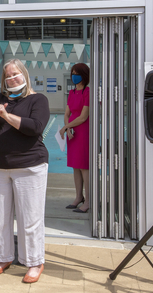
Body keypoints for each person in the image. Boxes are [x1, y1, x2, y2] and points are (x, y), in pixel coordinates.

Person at [0, 59, 49, 283]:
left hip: (30, 166)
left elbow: (34, 127)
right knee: (0, 216)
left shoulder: (38, 99)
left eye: (15, 74)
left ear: (25, 75)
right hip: (0, 166)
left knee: (30, 218)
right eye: (7, 76)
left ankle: (34, 262)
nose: (12, 79)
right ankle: (3, 257)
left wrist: (5, 115)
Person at [60, 63, 90, 213]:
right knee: (75, 167)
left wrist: (67, 127)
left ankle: (89, 201)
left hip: (83, 132)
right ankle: (79, 196)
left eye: (76, 73)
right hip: (72, 132)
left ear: (84, 75)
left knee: (84, 167)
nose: (73, 76)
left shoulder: (88, 92)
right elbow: (66, 114)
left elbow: (84, 117)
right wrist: (68, 127)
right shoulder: (72, 93)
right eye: (72, 73)